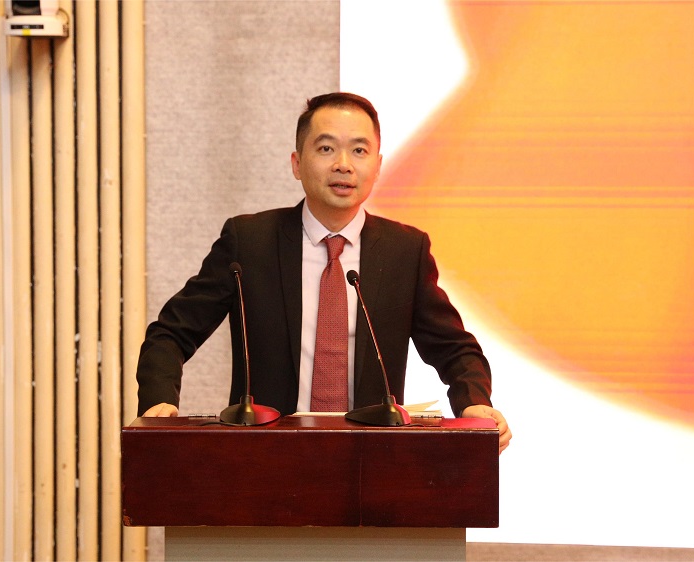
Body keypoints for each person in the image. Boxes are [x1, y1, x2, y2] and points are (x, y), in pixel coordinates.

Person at [136, 92, 511, 454]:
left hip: (373, 458)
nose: (343, 164)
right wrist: (159, 402)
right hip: (264, 455)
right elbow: (171, 334)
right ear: (297, 163)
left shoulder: (405, 251)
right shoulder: (249, 243)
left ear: (377, 165)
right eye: (327, 148)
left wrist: (474, 402)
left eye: (359, 151)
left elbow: (455, 349)